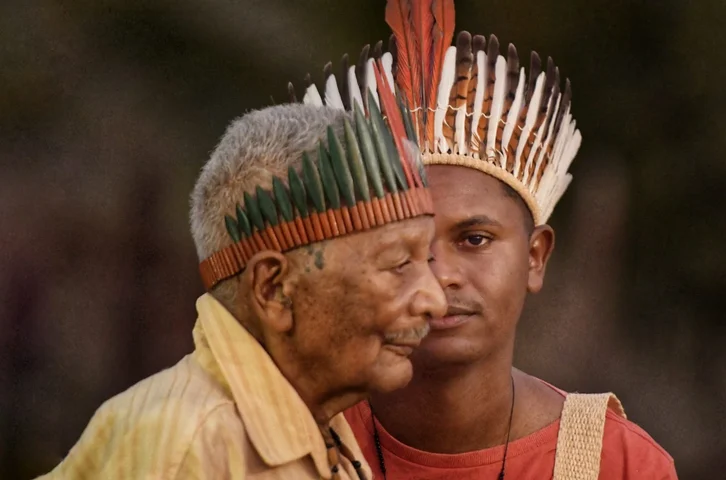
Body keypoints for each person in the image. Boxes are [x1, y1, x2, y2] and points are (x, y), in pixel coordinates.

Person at [294, 0, 678, 478]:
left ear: (535, 257)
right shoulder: (288, 448)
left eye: (474, 239)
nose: (438, 276)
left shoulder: (620, 465)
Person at [37, 81, 447, 479]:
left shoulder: (314, 432)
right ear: (274, 290)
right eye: (397, 265)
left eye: (425, 259)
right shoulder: (193, 447)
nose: (434, 300)